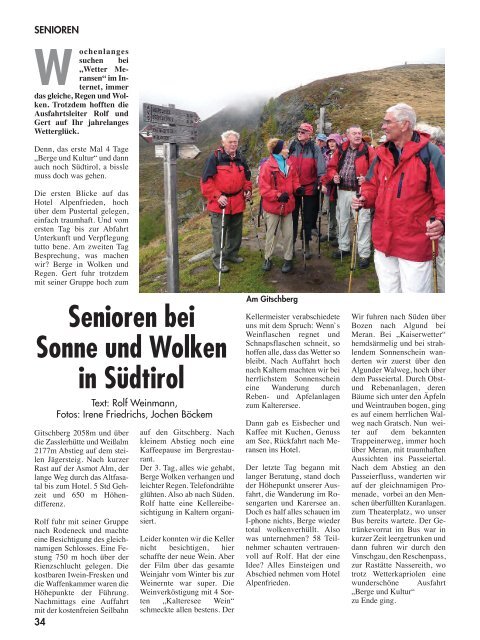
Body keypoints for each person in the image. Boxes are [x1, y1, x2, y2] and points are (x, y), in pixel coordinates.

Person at [353, 103, 445, 293]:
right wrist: (364, 198)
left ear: (404, 125)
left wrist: (442, 221)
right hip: (383, 240)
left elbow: (445, 196)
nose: (383, 126)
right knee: (388, 293)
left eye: (388, 122)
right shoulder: (381, 153)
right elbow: (371, 185)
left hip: (415, 243)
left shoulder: (431, 153)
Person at [324, 125, 375, 268]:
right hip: (342, 191)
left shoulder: (368, 151)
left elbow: (376, 169)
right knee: (342, 220)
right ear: (348, 135)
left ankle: (364, 254)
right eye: (354, 133)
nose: (358, 136)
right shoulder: (341, 149)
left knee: (362, 222)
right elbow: (331, 167)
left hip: (360, 193)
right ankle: (344, 247)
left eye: (360, 133)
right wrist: (334, 176)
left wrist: (366, 178)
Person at [200, 130, 252, 272]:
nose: (233, 144)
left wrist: (247, 190)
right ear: (223, 143)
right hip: (220, 204)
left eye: (235, 142)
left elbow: (247, 178)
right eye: (230, 142)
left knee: (236, 231)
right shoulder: (214, 158)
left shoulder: (241, 158)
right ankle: (218, 259)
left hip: (237, 201)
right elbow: (205, 182)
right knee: (220, 233)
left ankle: (232, 254)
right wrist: (217, 196)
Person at [258, 138, 301, 273]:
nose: (287, 149)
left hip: (288, 205)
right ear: (278, 149)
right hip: (273, 207)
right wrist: (277, 195)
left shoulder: (289, 163)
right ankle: (268, 258)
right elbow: (263, 189)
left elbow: (294, 179)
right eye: (285, 147)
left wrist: (298, 188)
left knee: (288, 234)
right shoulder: (267, 166)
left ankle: (288, 259)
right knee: (272, 234)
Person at [288, 123, 326, 259]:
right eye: (299, 131)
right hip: (293, 188)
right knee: (291, 218)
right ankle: (290, 246)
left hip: (309, 188)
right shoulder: (292, 146)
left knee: (308, 218)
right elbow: (285, 164)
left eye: (303, 131)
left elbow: (321, 167)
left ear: (309, 134)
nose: (300, 133)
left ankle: (306, 244)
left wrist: (321, 181)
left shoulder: (315, 148)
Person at [320, 134, 342, 244]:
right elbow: (324, 171)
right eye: (329, 141)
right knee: (329, 210)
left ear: (338, 142)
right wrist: (323, 183)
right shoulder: (326, 155)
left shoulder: (343, 155)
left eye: (333, 141)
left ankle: (340, 235)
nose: (331, 143)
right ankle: (331, 232)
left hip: (339, 187)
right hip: (328, 187)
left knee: (339, 211)